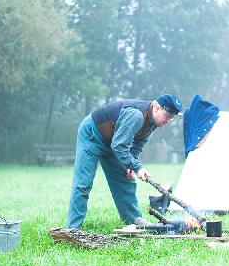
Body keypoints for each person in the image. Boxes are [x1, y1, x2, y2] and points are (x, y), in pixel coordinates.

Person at [66, 94, 183, 229]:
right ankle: (72, 229)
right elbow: (119, 146)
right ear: (156, 107)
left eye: (172, 117)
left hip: (114, 141)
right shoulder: (136, 115)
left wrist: (130, 166)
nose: (169, 120)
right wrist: (137, 167)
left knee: (125, 180)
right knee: (83, 184)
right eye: (167, 115)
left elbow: (137, 144)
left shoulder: (152, 122)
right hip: (93, 135)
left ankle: (135, 224)